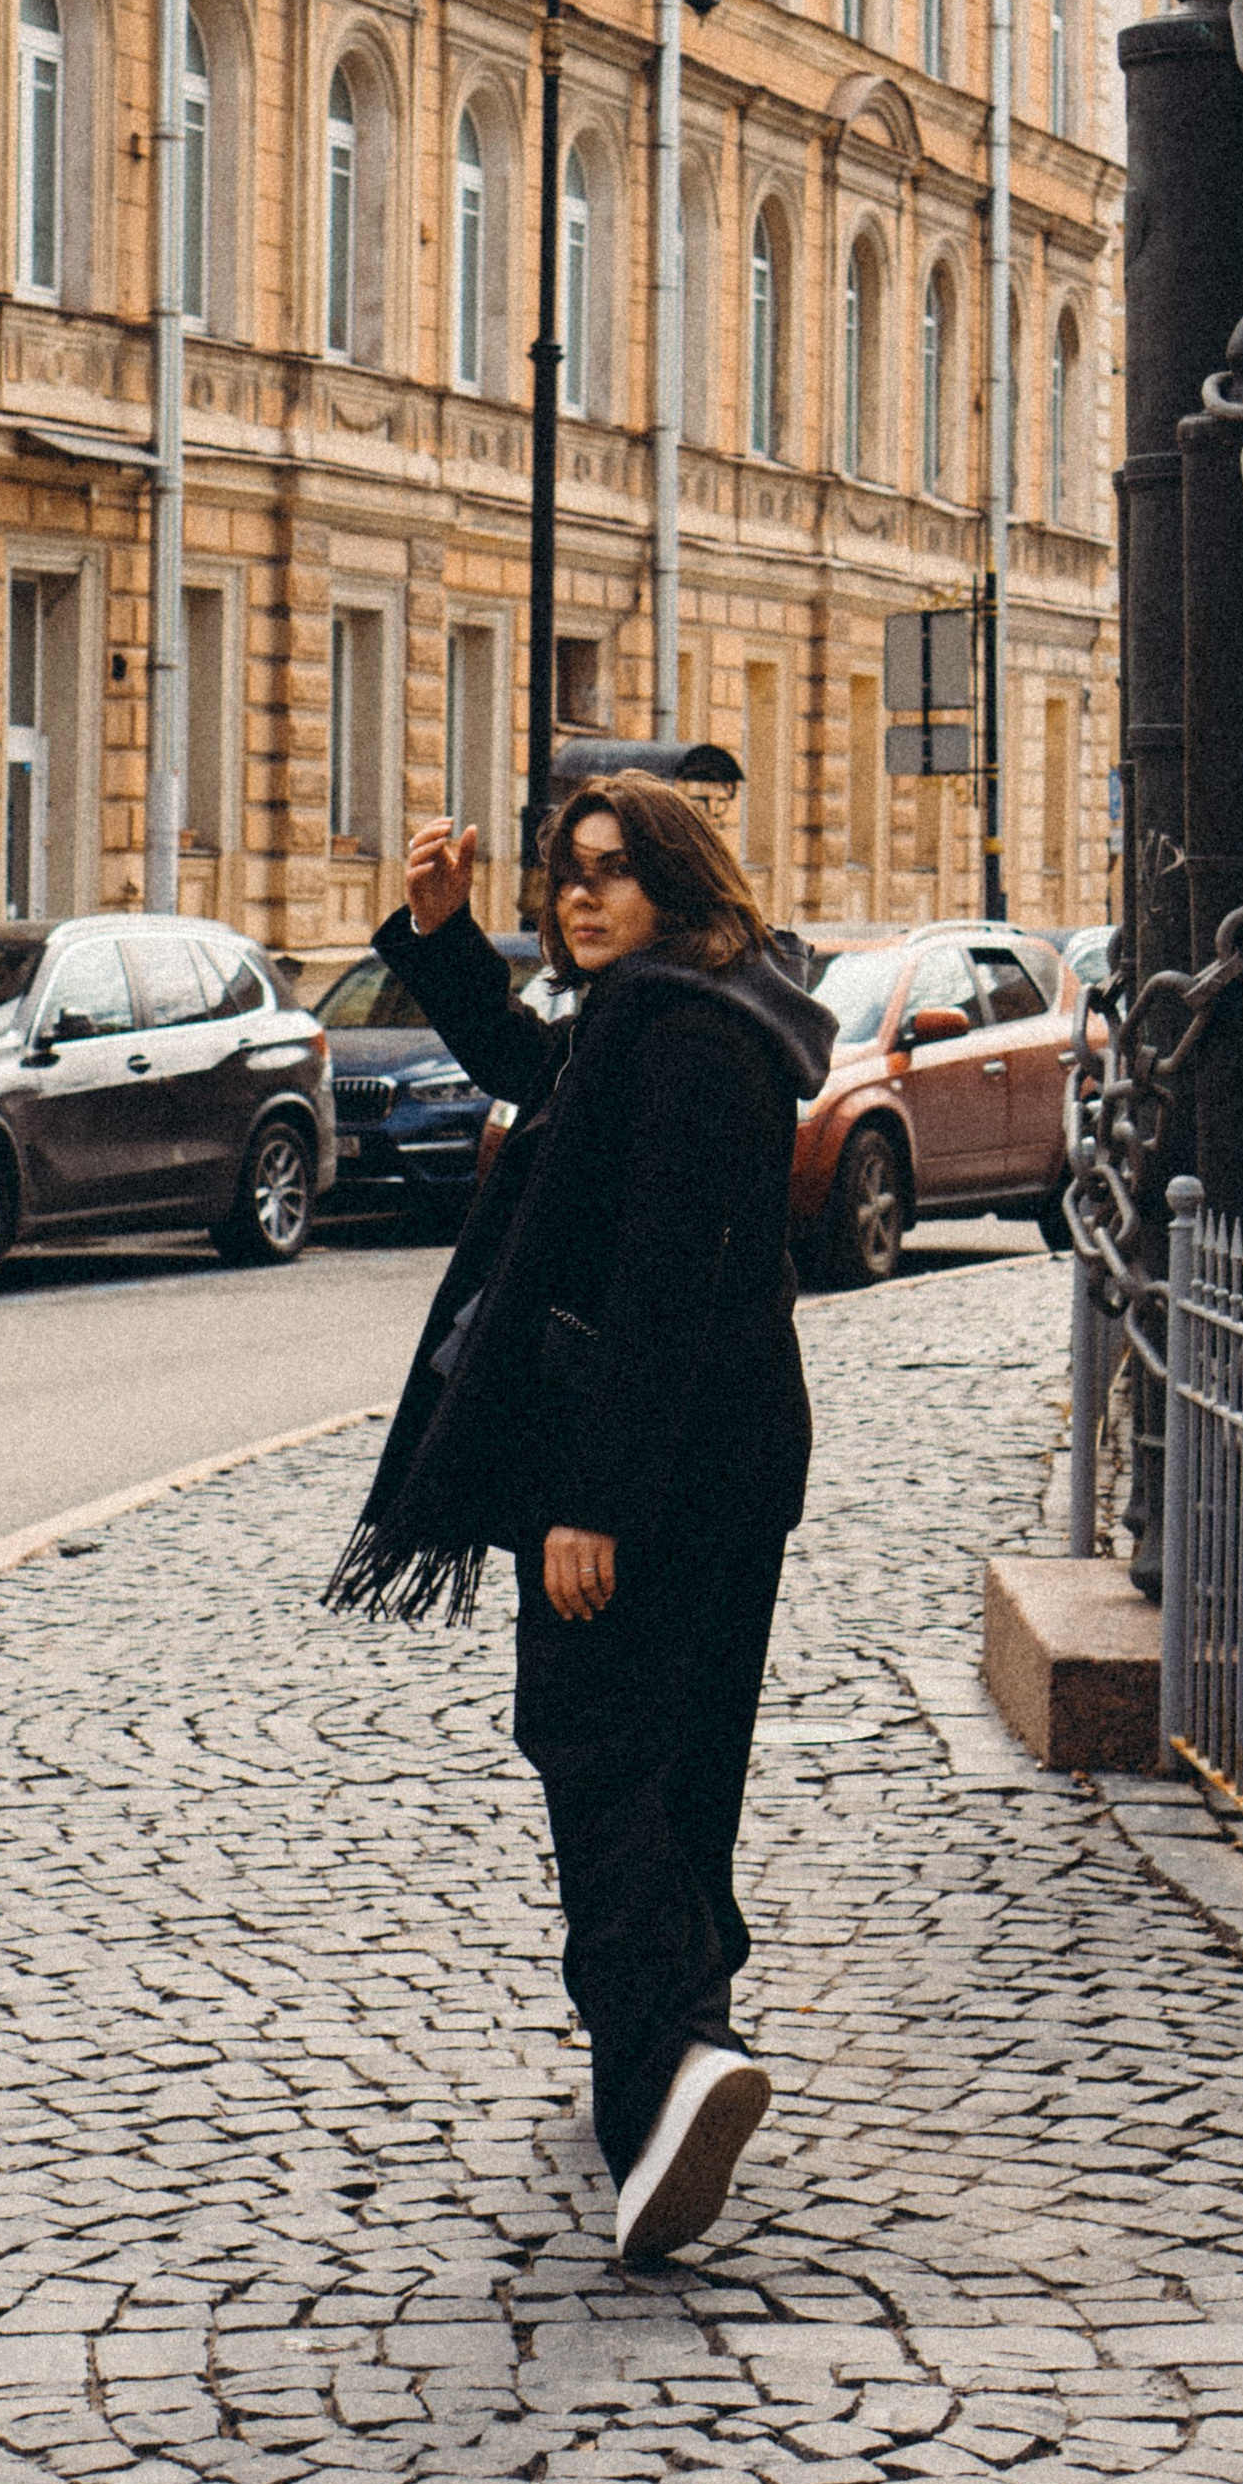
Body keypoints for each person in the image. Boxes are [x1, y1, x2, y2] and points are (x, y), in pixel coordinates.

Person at [324, 773, 836, 2263]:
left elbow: (659, 1294)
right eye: (567, 876)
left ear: (675, 885)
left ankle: (663, 2078)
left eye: (612, 873)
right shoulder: (683, 1015)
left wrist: (588, 1505)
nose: (582, 897)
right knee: (683, 1758)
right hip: (736, 1469)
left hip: (652, 1476)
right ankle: (696, 2023)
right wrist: (443, 934)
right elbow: (527, 1066)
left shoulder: (675, 1046)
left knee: (592, 1744)